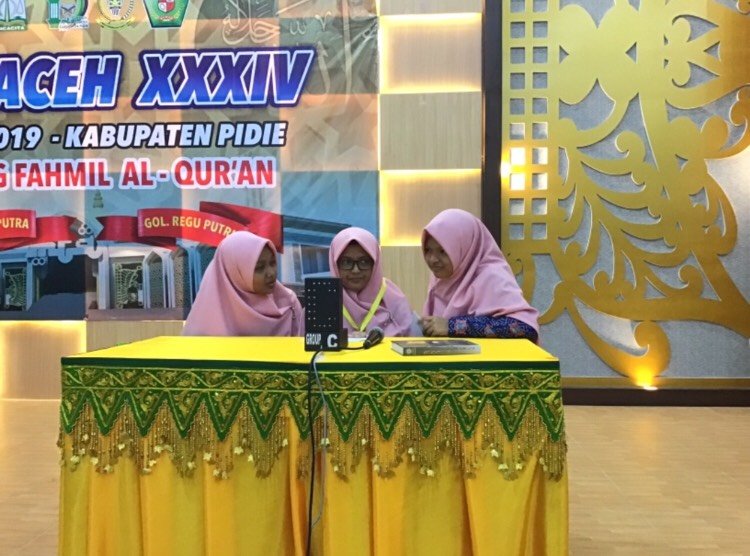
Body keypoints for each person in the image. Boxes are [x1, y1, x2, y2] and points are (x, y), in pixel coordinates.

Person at [420, 208, 539, 342]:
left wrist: (453, 326)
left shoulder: (492, 276)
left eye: (443, 251)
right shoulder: (442, 278)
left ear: (465, 248)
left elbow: (525, 327)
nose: (433, 259)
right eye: (428, 250)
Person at [183, 231, 302, 336]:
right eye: (259, 268)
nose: (271, 273)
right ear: (235, 273)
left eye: (272, 263)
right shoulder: (207, 318)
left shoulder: (289, 303)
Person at [329, 227, 417, 337]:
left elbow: (411, 341)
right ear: (335, 265)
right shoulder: (324, 301)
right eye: (346, 262)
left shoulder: (393, 298)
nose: (355, 270)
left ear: (375, 263)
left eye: (364, 262)